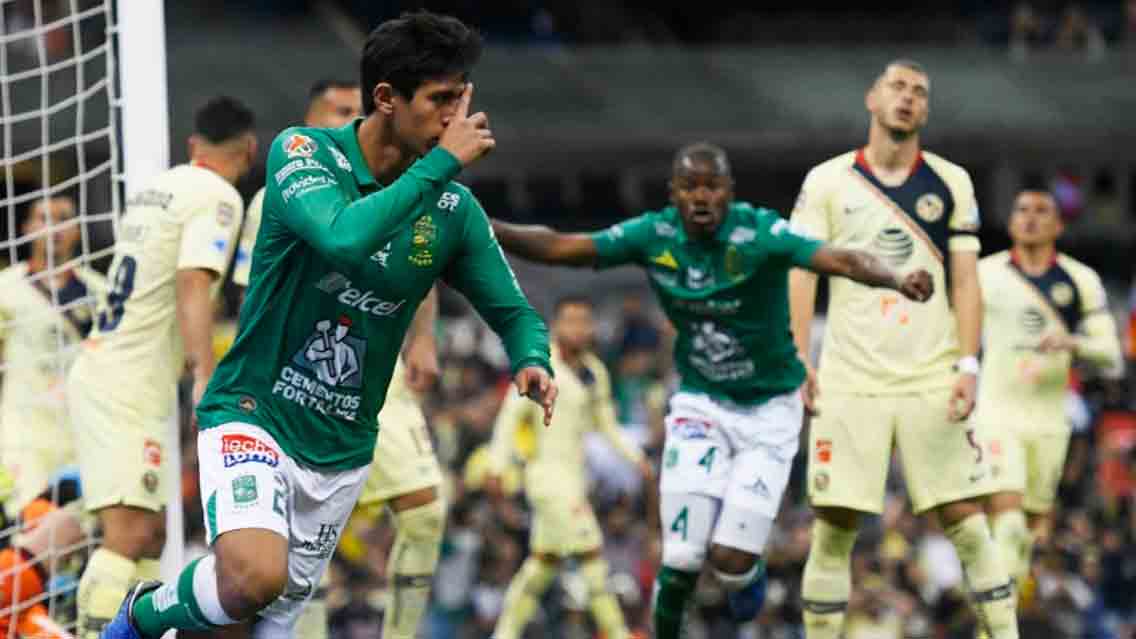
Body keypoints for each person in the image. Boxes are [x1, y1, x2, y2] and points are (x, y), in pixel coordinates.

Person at [100, 11, 555, 639]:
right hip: (254, 411)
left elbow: (513, 309)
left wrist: (533, 356)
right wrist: (440, 165)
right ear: (387, 99)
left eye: (461, 99)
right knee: (255, 576)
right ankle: (140, 613)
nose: (455, 118)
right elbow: (344, 238)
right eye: (439, 100)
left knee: (250, 611)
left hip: (341, 448)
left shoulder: (451, 209)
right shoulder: (303, 154)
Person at [490, 141, 932, 639]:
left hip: (770, 411)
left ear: (729, 191)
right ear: (673, 193)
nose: (701, 196)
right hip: (701, 404)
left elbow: (841, 260)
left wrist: (896, 277)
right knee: (679, 558)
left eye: (712, 186)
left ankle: (747, 570)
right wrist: (486, 228)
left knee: (728, 559)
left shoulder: (759, 232)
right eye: (689, 186)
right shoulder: (654, 234)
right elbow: (562, 246)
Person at [788, 59, 1018, 639]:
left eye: (919, 91)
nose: (908, 98)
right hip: (849, 377)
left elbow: (965, 282)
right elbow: (800, 273)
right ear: (872, 98)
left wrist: (969, 364)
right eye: (897, 87)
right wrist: (797, 356)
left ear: (926, 110)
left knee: (967, 521)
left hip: (930, 378)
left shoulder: (951, 182)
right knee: (834, 526)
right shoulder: (828, 182)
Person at [233, 77, 449, 639]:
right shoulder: (280, 192)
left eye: (359, 112)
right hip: (295, 377)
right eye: (339, 111)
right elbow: (249, 297)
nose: (353, 121)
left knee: (425, 510)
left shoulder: (396, 188)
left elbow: (422, 265)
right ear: (311, 120)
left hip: (378, 377)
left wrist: (424, 338)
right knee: (295, 540)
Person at [67, 96, 256, 638]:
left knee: (150, 538)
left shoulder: (158, 188)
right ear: (249, 149)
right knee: (129, 534)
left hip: (113, 369)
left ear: (193, 146)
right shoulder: (219, 197)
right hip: (129, 382)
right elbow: (193, 280)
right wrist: (204, 373)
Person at [977, 189, 1123, 591]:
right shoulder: (983, 274)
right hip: (996, 415)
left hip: (1048, 422)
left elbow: (1111, 356)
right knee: (1006, 520)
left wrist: (1074, 343)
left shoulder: (1080, 280)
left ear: (1059, 225)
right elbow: (954, 334)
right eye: (1022, 210)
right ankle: (997, 626)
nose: (1031, 218)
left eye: (1043, 211)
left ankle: (1005, 613)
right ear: (1010, 223)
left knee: (1028, 528)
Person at [486, 295, 652, 639]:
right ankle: (618, 633)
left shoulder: (594, 371)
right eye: (570, 321)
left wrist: (637, 459)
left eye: (584, 321)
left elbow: (606, 424)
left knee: (541, 566)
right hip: (546, 478)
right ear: (556, 325)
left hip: (576, 479)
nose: (578, 328)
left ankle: (504, 634)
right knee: (591, 556)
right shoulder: (537, 366)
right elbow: (509, 418)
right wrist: (497, 464)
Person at [0, 197, 103, 521]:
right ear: (27, 229)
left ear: (76, 229)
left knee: (78, 536)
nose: (54, 228)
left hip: (81, 436)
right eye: (44, 218)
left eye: (63, 219)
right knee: (29, 529)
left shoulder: (99, 291)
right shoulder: (6, 288)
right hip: (24, 435)